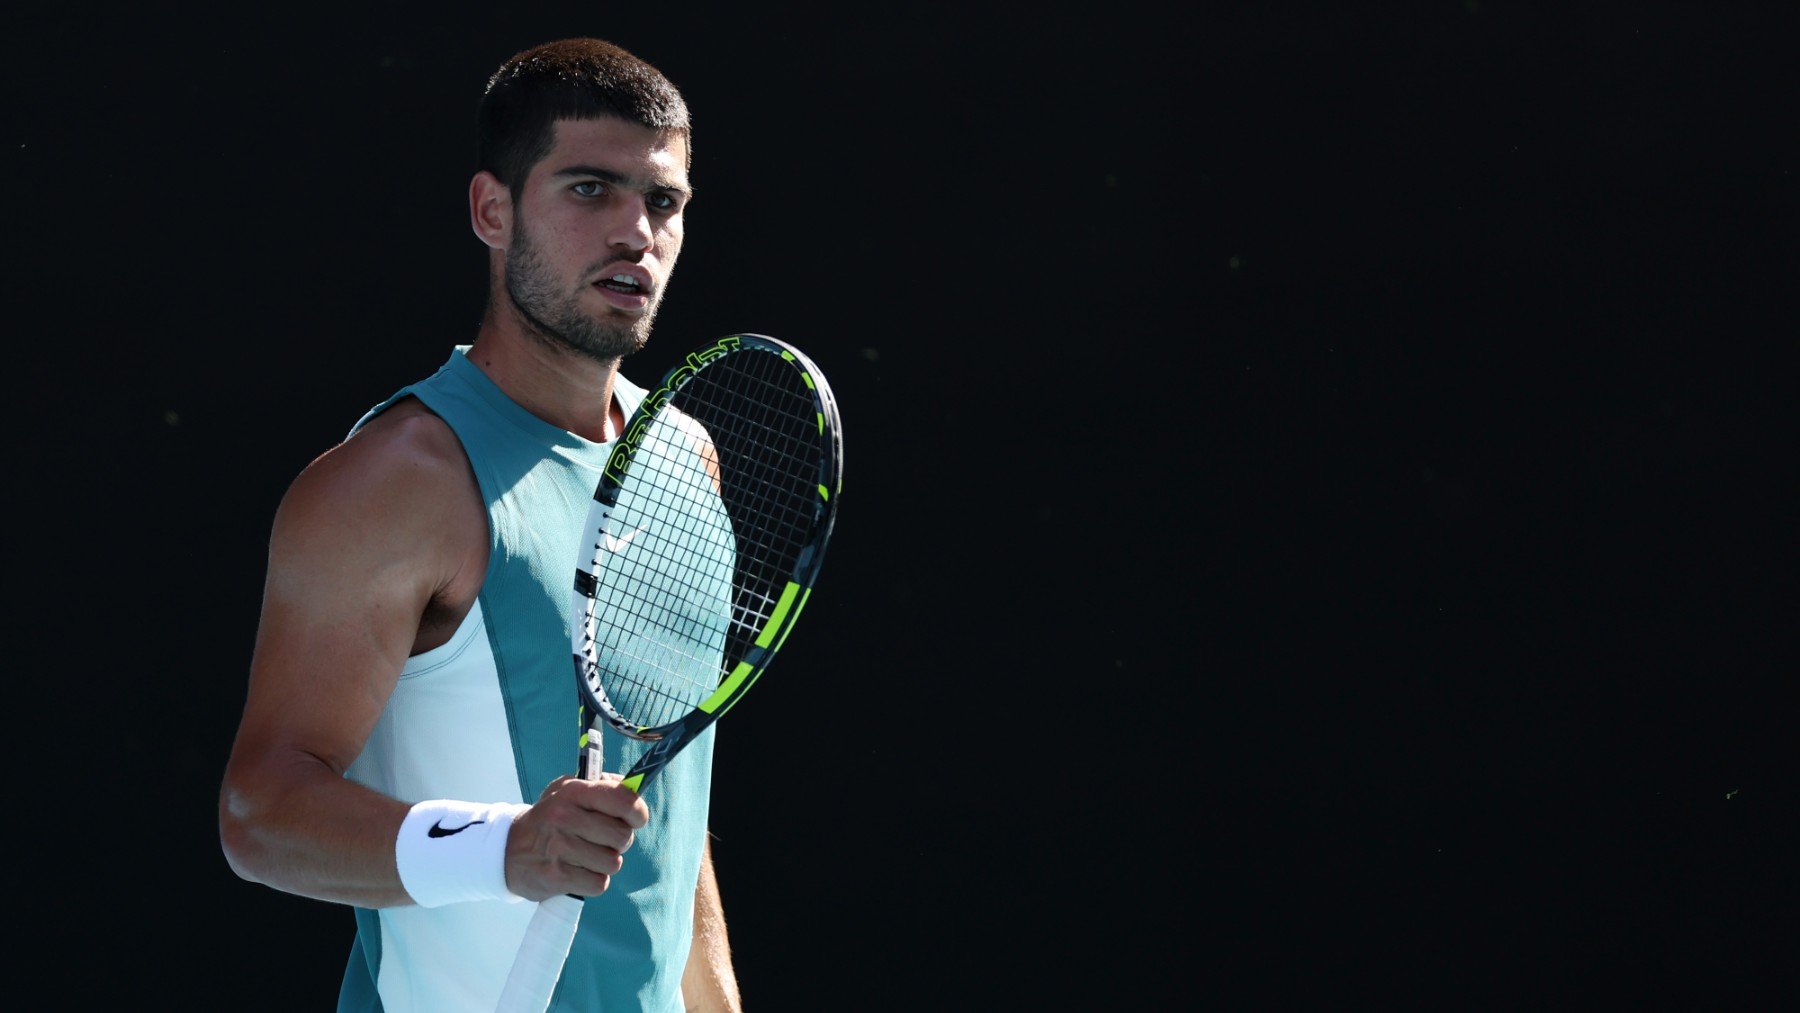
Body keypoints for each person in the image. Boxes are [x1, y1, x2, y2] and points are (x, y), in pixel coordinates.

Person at [219, 37, 742, 1012]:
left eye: (662, 201)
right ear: (491, 211)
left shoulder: (688, 459)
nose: (635, 229)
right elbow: (261, 815)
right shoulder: (395, 481)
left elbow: (667, 809)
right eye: (590, 189)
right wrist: (505, 846)